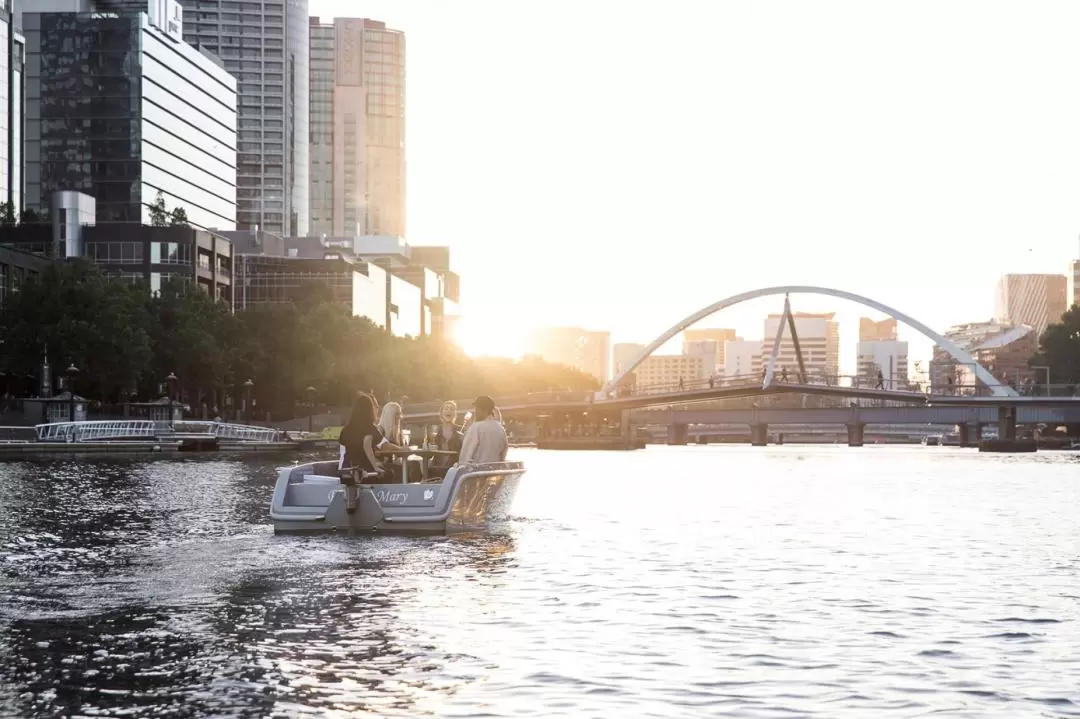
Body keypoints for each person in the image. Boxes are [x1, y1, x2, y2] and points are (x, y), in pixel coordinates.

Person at [338, 393, 395, 480]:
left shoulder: (345, 430)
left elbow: (343, 454)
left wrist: (342, 470)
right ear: (369, 410)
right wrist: (375, 465)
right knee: (390, 473)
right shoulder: (369, 428)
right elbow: (368, 444)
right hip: (364, 471)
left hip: (347, 471)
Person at [458, 395, 508, 466]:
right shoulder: (500, 428)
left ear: (481, 409)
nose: (475, 412)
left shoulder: (475, 428)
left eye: (476, 409)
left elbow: (465, 456)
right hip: (494, 473)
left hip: (477, 473)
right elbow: (503, 453)